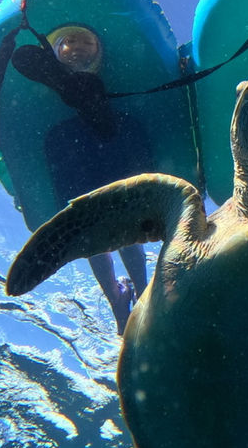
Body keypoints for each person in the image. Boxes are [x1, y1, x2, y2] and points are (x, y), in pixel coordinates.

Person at [21, 24, 152, 333]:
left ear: (99, 51)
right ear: (56, 49)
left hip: (110, 153)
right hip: (76, 156)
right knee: (92, 238)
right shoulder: (51, 93)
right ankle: (117, 300)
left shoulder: (114, 81)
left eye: (87, 42)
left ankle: (143, 292)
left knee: (126, 232)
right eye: (69, 41)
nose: (78, 46)